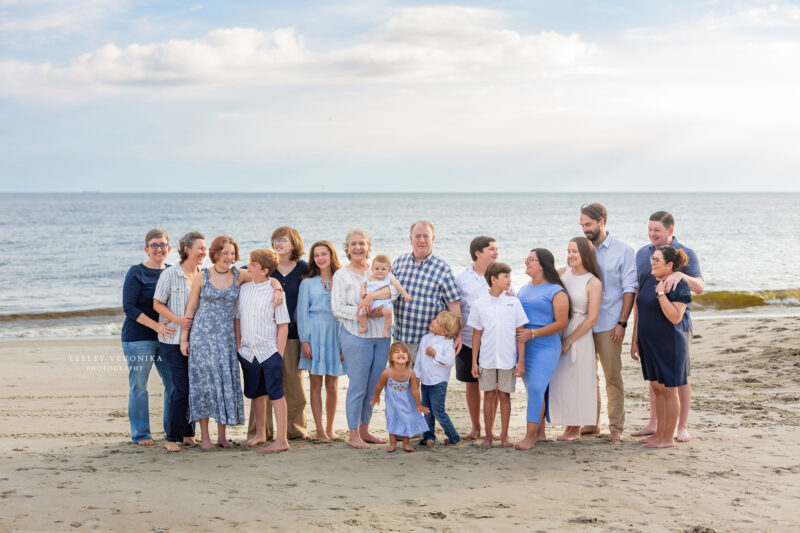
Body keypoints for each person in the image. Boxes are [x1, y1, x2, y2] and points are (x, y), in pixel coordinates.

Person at [632, 211, 704, 442]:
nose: (652, 234)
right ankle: (657, 425)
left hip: (677, 327)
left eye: (657, 230)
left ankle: (679, 427)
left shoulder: (686, 254)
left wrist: (680, 276)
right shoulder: (643, 253)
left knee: (679, 378)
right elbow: (638, 291)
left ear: (670, 231)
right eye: (650, 229)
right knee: (657, 382)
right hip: (650, 328)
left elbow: (700, 287)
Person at [331, 228, 396, 449]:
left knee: (373, 387)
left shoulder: (379, 270)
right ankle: (353, 434)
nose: (358, 247)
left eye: (362, 243)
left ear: (368, 247)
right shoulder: (342, 275)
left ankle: (365, 430)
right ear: (347, 249)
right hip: (355, 336)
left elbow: (393, 292)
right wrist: (365, 312)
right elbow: (338, 309)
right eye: (353, 244)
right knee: (357, 386)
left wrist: (375, 297)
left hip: (382, 337)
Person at [181, 235, 246, 450]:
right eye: (225, 252)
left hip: (226, 339)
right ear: (216, 253)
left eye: (232, 253)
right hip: (202, 338)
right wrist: (184, 338)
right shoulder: (203, 276)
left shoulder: (238, 275)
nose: (229, 257)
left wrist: (276, 289)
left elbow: (264, 276)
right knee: (204, 385)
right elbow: (190, 309)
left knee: (223, 384)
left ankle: (222, 437)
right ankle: (205, 438)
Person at [579, 202, 637, 442]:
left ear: (602, 222)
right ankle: (592, 424)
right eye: (582, 225)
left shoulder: (623, 251)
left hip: (609, 324)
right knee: (587, 376)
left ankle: (616, 427)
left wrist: (622, 323)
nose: (585, 230)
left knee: (612, 376)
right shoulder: (583, 249)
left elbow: (629, 288)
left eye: (589, 224)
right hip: (584, 324)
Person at [251, 226, 310, 443]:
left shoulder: (305, 269)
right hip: (265, 335)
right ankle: (260, 432)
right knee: (263, 384)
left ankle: (295, 430)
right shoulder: (269, 268)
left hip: (293, 334)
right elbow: (244, 273)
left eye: (282, 239)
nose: (277, 243)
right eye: (275, 240)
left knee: (294, 384)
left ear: (294, 243)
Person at [630, 246, 691, 448]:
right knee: (657, 388)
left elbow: (675, 317)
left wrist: (662, 295)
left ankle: (667, 438)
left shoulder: (679, 284)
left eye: (657, 260)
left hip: (669, 344)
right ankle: (660, 433)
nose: (652, 263)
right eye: (652, 259)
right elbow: (640, 310)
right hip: (648, 343)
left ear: (670, 264)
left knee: (669, 390)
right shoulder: (649, 278)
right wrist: (635, 340)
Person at [121, 228, 174, 446]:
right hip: (138, 339)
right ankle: (141, 434)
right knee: (139, 387)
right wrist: (155, 326)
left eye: (162, 244)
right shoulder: (136, 272)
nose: (159, 248)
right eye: (154, 245)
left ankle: (173, 431)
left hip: (168, 338)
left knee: (173, 384)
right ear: (146, 249)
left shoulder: (173, 271)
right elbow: (129, 307)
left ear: (169, 249)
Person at [153, 231, 205, 452]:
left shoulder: (203, 275)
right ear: (187, 250)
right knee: (181, 388)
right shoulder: (170, 274)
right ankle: (171, 438)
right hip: (172, 340)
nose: (204, 252)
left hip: (197, 342)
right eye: (200, 248)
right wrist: (178, 321)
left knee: (193, 388)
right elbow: (157, 304)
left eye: (205, 248)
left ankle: (188, 434)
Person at [235, 249, 291, 453]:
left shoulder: (275, 292)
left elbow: (283, 325)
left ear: (265, 270)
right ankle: (260, 434)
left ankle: (282, 439)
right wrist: (238, 345)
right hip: (248, 352)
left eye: (252, 264)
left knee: (276, 395)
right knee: (256, 394)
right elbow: (238, 318)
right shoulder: (244, 289)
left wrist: (279, 354)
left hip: (269, 352)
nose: (247, 266)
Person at [468, 262, 529, 449]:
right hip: (486, 359)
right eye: (506, 277)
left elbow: (520, 333)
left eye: (510, 277)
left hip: (507, 359)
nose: (510, 280)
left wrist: (520, 361)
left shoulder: (514, 302)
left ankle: (504, 436)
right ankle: (488, 436)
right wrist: (474, 362)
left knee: (504, 396)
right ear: (493, 279)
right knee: (488, 394)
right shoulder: (479, 304)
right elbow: (476, 334)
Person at [514, 250, 569, 450]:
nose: (526, 262)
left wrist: (534, 334)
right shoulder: (523, 289)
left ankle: (529, 437)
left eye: (530, 259)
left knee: (537, 388)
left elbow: (562, 323)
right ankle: (539, 433)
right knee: (533, 390)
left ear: (542, 264)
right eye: (527, 258)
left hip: (545, 346)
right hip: (524, 347)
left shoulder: (556, 291)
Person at [550, 237, 602, 441]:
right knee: (562, 379)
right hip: (561, 327)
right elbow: (541, 286)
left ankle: (575, 428)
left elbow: (592, 318)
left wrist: (570, 339)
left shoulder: (593, 281)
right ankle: (567, 425)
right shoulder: (562, 273)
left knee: (578, 378)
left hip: (580, 334)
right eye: (569, 251)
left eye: (575, 252)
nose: (571, 255)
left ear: (585, 254)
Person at [392, 220, 462, 363]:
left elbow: (454, 306)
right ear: (411, 239)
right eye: (417, 236)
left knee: (428, 382)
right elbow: (387, 293)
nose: (422, 240)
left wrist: (458, 335)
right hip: (400, 339)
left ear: (433, 239)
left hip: (430, 342)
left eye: (426, 236)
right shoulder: (399, 263)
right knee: (401, 381)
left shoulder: (443, 269)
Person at [297, 240, 346, 442]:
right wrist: (305, 341)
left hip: (336, 333)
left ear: (331, 255)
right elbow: (301, 314)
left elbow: (346, 311)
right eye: (316, 255)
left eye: (323, 254)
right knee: (316, 384)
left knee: (333, 384)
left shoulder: (342, 279)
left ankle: (330, 428)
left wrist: (345, 342)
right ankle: (319, 430)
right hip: (314, 332)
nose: (320, 258)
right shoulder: (307, 282)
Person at [455, 236, 502, 440]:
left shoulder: (500, 275)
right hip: (466, 340)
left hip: (494, 341)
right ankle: (476, 427)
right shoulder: (461, 278)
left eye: (496, 249)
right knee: (471, 384)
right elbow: (454, 306)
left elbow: (511, 299)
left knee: (494, 385)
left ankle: (490, 428)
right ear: (478, 253)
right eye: (491, 249)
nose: (495, 252)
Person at [370, 342, 430, 453]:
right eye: (397, 352)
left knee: (406, 420)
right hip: (392, 403)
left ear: (408, 358)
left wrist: (418, 405)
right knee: (392, 420)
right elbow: (379, 385)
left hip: (407, 403)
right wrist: (376, 396)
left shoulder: (411, 373)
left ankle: (406, 444)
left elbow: (415, 389)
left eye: (404, 352)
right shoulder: (386, 372)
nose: (401, 354)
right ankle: (393, 444)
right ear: (391, 358)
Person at [415, 311, 462, 447]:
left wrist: (434, 354)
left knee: (438, 412)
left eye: (437, 321)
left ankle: (454, 437)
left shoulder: (448, 344)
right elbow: (419, 360)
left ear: (443, 331)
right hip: (425, 382)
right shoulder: (425, 339)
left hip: (438, 383)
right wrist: (416, 376)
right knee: (427, 412)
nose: (433, 321)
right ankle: (429, 437)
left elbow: (449, 361)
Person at [357, 254, 412, 337]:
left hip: (383, 303)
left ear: (389, 270)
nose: (380, 271)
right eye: (377, 269)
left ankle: (386, 330)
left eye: (383, 269)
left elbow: (398, 287)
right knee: (361, 312)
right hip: (370, 302)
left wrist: (406, 295)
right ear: (372, 269)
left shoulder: (388, 279)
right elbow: (363, 287)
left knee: (388, 313)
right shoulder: (369, 278)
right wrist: (363, 293)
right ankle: (364, 327)